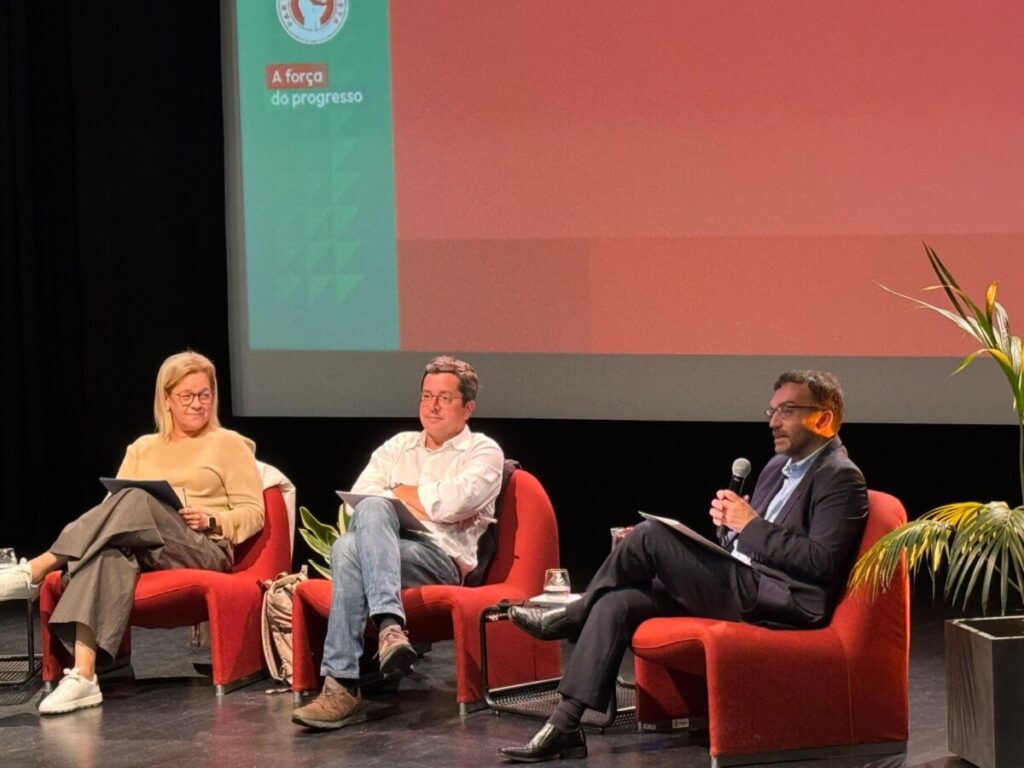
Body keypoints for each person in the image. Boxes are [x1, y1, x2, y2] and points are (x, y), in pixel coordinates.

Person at [500, 370, 868, 762]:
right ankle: (565, 725)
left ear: (825, 418)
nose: (773, 421)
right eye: (772, 410)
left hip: (785, 602)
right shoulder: (777, 468)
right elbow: (754, 542)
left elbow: (821, 562)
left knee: (651, 535)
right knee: (619, 602)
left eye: (788, 410)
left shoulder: (840, 478)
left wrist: (750, 525)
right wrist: (729, 529)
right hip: (746, 582)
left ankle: (574, 613)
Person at [0, 351, 264, 715]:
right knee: (107, 551)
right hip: (144, 549)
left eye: (205, 395)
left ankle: (38, 568)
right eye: (187, 396)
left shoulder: (230, 444)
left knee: (135, 497)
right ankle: (84, 676)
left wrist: (212, 519)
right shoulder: (142, 447)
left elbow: (254, 513)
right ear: (167, 400)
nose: (197, 404)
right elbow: (114, 512)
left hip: (201, 548)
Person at [292, 355, 504, 731]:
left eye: (444, 397)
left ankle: (341, 688)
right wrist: (419, 502)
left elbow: (456, 502)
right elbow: (360, 498)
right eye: (426, 396)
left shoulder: (483, 451)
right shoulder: (398, 446)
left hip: (440, 559)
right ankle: (390, 631)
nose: (432, 406)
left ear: (468, 407)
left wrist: (400, 492)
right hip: (389, 551)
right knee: (350, 541)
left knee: (354, 542)